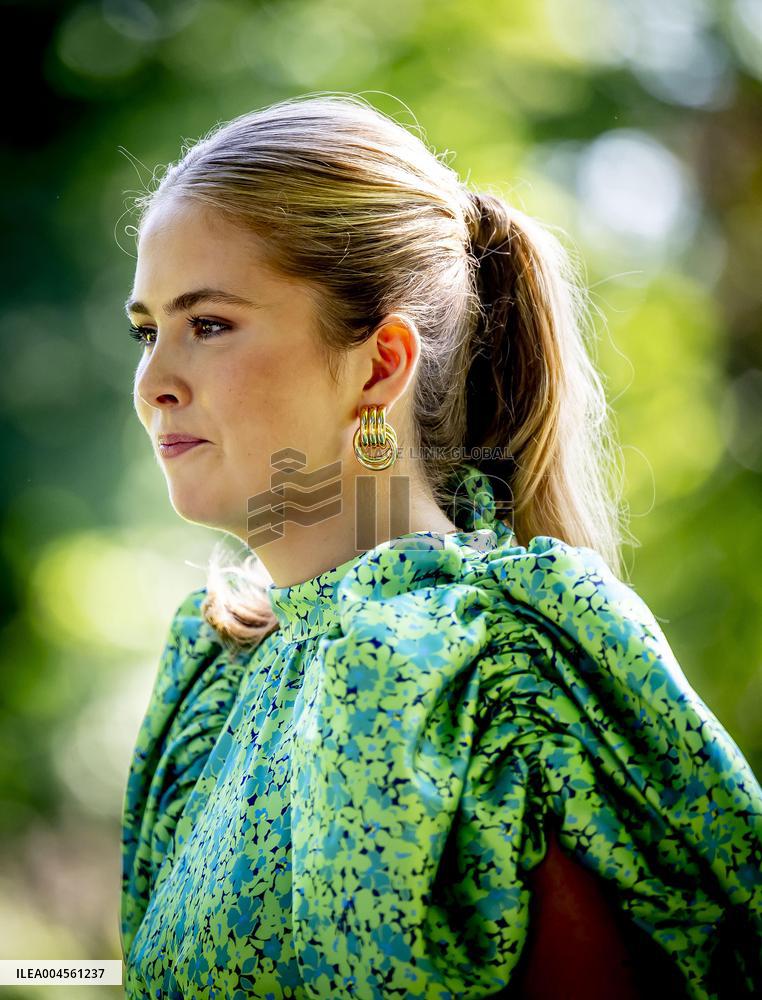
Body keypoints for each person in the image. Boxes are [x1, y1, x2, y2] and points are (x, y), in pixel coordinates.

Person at [119, 93, 761, 999]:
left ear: (381, 363)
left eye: (208, 323)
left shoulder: (504, 669)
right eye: (147, 330)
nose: (152, 382)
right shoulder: (213, 680)